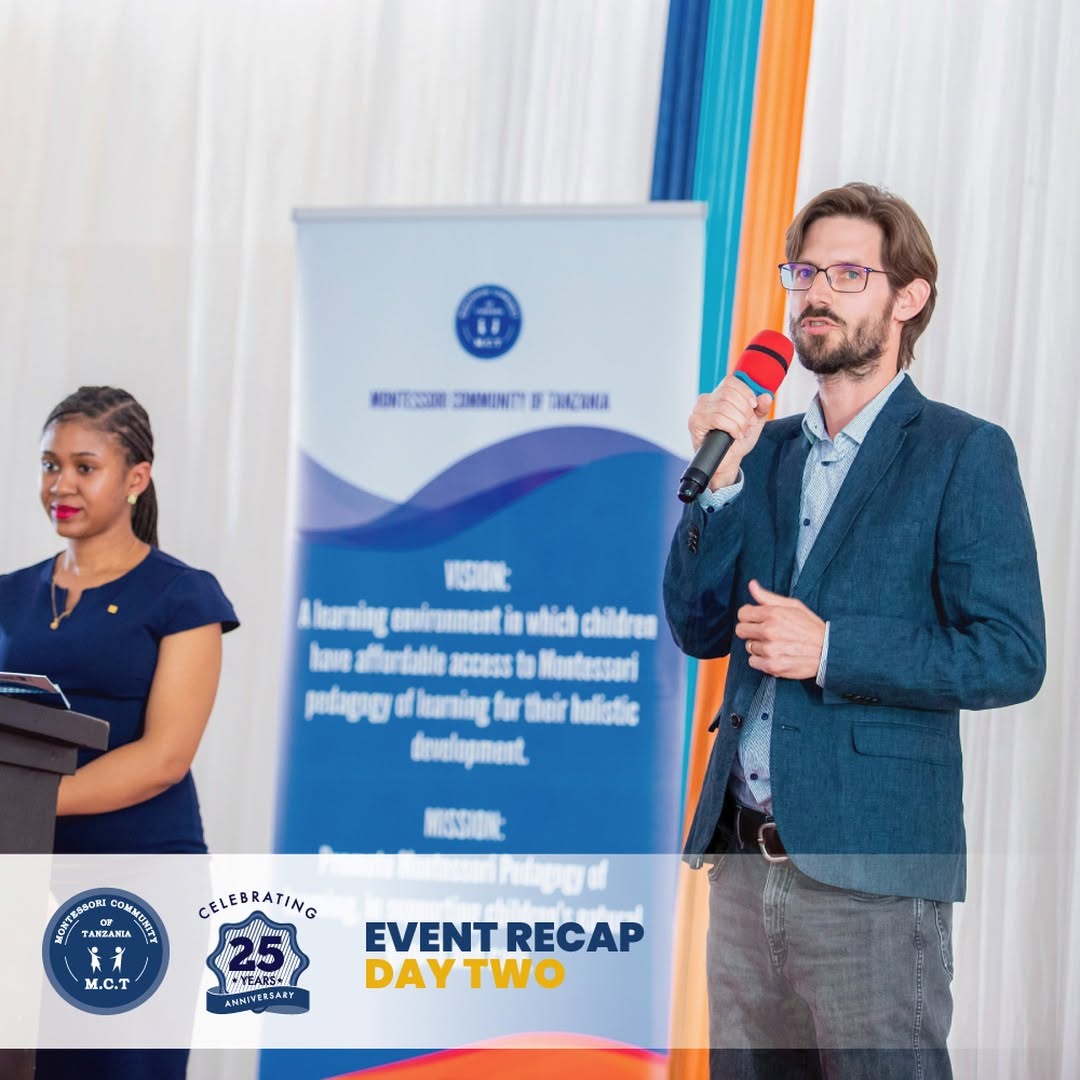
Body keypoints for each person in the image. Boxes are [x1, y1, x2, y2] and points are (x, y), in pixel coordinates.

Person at [664, 183, 1045, 1079]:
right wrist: (720, 487)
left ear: (908, 298)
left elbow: (1009, 654)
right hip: (743, 867)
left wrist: (832, 650)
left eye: (847, 274)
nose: (816, 295)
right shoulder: (764, 451)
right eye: (804, 274)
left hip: (873, 876)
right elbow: (697, 627)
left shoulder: (961, 452)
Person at [0, 386, 238, 1080]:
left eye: (84, 467)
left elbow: (165, 758)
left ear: (136, 478)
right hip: (21, 880)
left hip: (136, 885)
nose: (61, 485)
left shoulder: (183, 596)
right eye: (50, 466)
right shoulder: (9, 594)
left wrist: (22, 806)